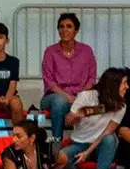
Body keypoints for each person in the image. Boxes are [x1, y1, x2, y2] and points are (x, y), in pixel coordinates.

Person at [64, 66, 128, 169]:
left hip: (100, 145)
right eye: (124, 83)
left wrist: (87, 152)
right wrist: (75, 116)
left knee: (110, 138)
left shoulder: (122, 105)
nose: (127, 87)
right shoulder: (86, 96)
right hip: (79, 143)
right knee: (61, 159)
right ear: (113, 85)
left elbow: (106, 133)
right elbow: (67, 123)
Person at [41, 12, 97, 142]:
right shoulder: (50, 51)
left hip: (81, 95)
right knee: (59, 103)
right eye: (61, 26)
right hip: (55, 96)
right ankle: (56, 144)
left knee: (98, 105)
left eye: (69, 26)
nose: (64, 30)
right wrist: (68, 97)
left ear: (76, 30)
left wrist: (80, 97)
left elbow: (91, 78)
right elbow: (50, 82)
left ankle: (86, 146)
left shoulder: (86, 51)